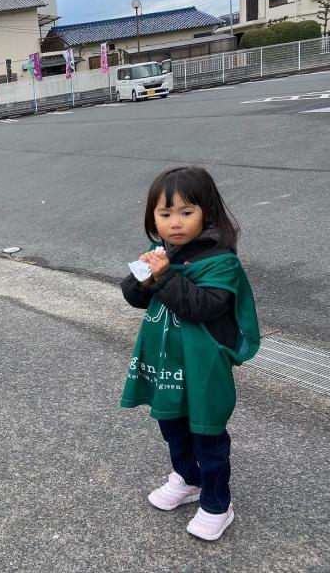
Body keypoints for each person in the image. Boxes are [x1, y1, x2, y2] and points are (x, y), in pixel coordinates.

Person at [119, 166, 260, 541]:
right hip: (167, 363)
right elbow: (134, 297)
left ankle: (217, 503)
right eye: (165, 214)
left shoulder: (222, 262)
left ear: (207, 213)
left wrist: (164, 277)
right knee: (172, 427)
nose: (175, 222)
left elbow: (201, 307)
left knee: (207, 435)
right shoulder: (162, 253)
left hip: (203, 367)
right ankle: (188, 478)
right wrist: (143, 277)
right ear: (153, 217)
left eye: (186, 212)